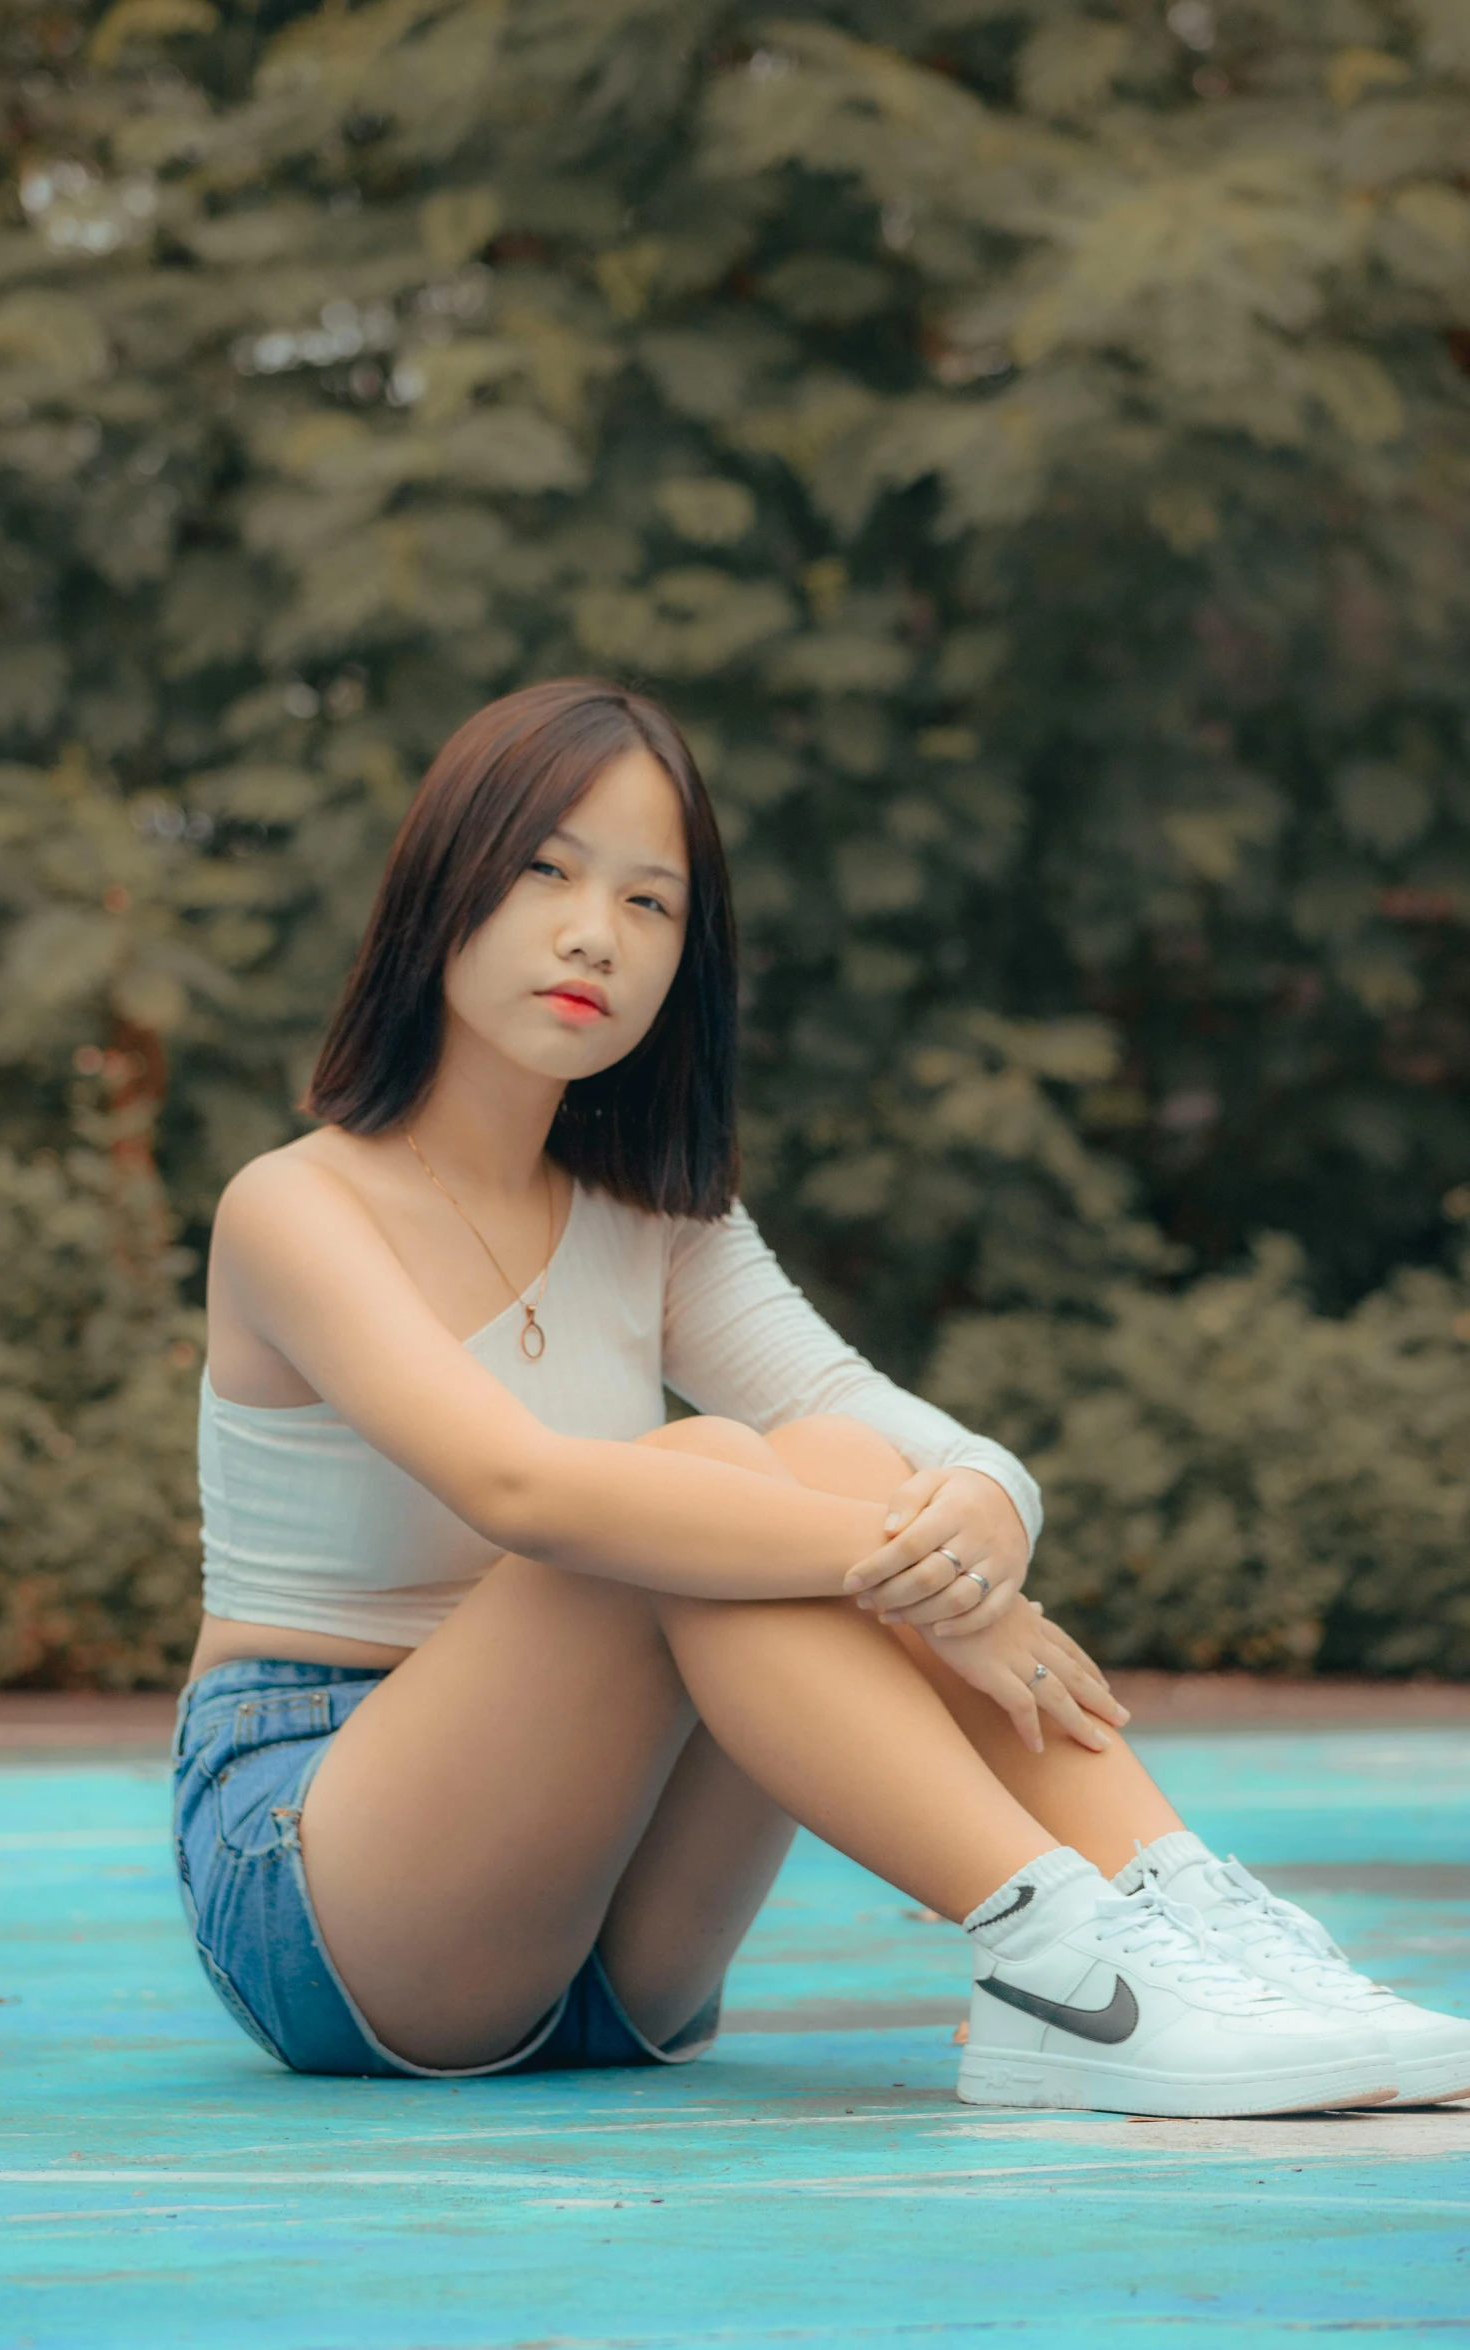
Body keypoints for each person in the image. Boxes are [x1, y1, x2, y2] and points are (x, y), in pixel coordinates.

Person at [172, 677, 1470, 2116]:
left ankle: (1189, 1915)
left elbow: (878, 1423)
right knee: (712, 1470)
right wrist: (897, 1565)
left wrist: (985, 1504)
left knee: (834, 1450)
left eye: (651, 903)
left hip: (614, 1943)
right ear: (441, 884)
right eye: (544, 868)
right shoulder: (293, 1207)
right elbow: (518, 1492)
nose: (593, 931)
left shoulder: (652, 1213)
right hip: (325, 1874)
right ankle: (1063, 1961)